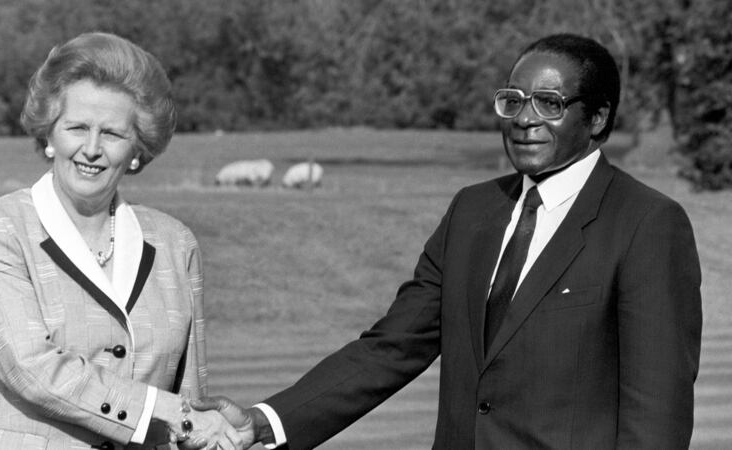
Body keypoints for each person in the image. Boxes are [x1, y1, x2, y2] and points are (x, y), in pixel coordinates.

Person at [196, 33, 703, 449]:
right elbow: (392, 347)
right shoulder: (472, 211)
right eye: (513, 101)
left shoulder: (648, 224)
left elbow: (657, 414)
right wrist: (265, 422)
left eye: (549, 104)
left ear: (596, 119)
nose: (525, 120)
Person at [0, 32, 243, 450]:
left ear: (137, 150)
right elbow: (30, 369)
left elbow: (190, 400)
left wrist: (199, 427)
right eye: (76, 128)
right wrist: (162, 410)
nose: (91, 148)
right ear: (49, 137)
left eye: (111, 134)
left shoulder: (175, 244)